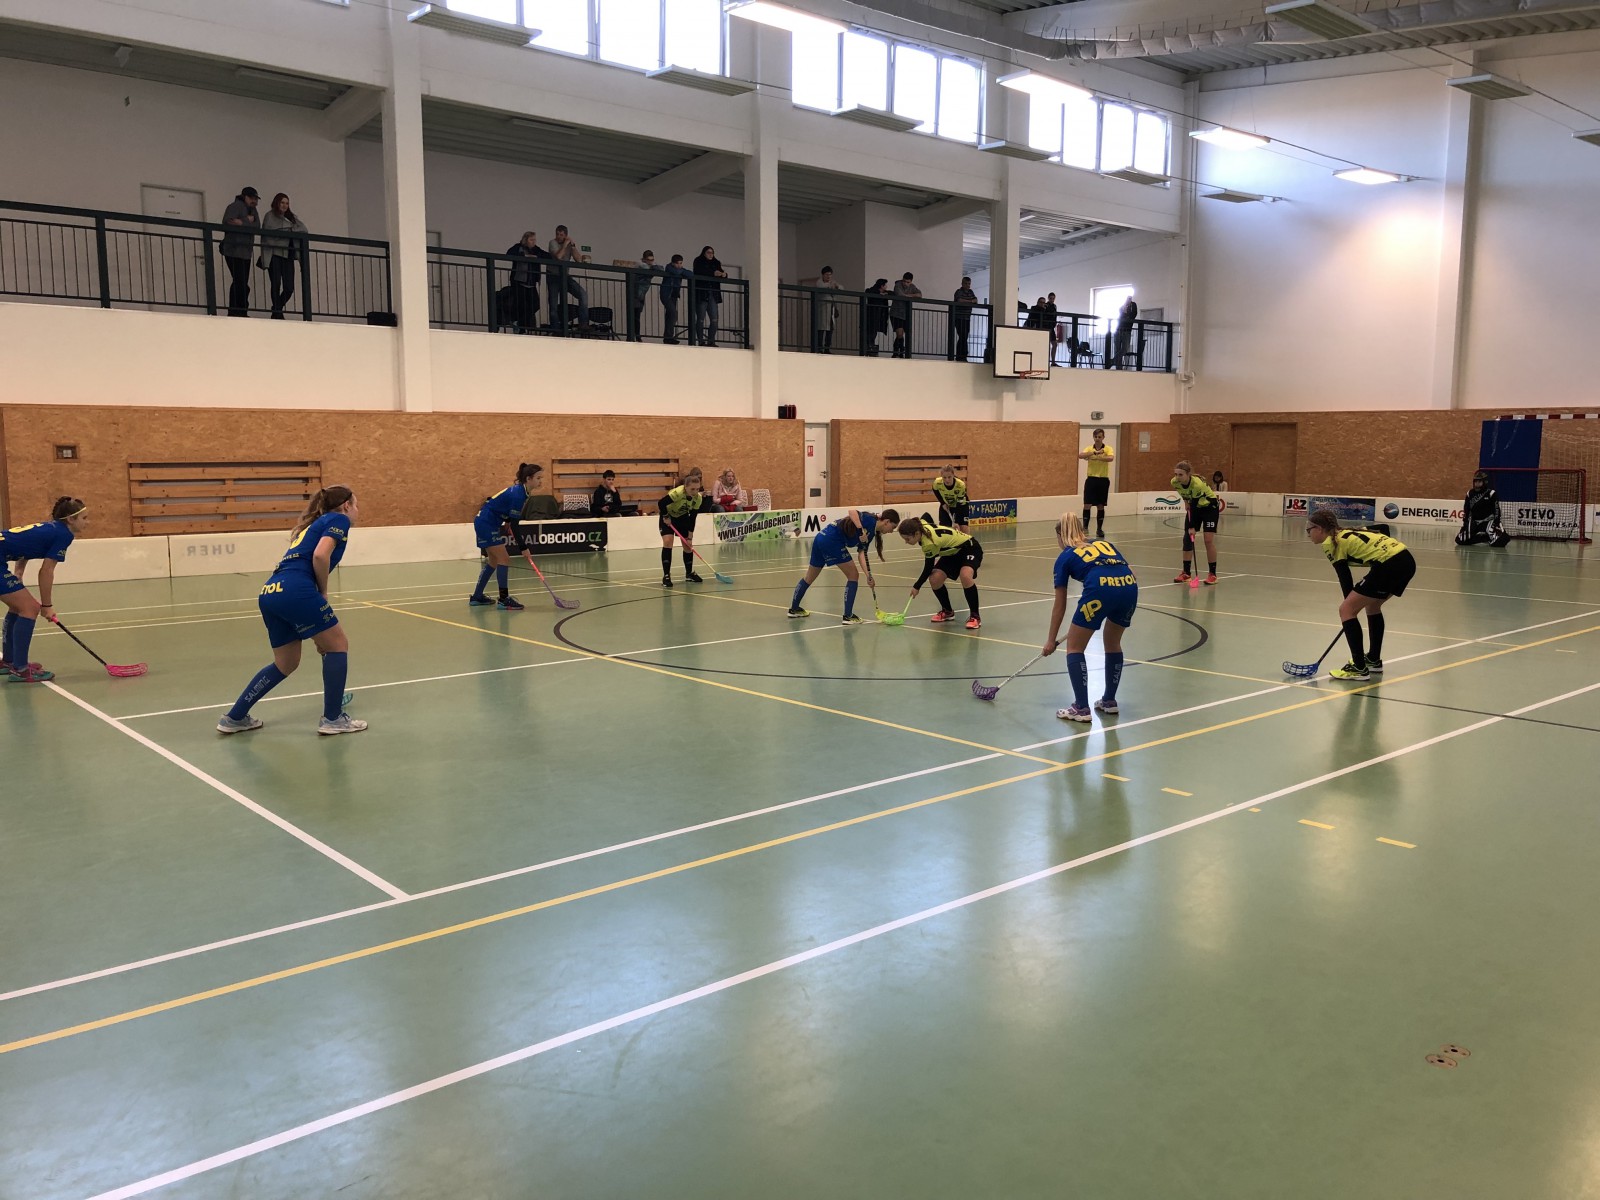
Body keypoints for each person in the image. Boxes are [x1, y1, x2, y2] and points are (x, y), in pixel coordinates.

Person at [216, 486, 365, 735]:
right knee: (338, 645)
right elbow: (320, 555)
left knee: (286, 663)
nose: (358, 510)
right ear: (346, 505)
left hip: (271, 591)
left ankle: (235, 717)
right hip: (297, 589)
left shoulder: (313, 525)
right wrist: (323, 592)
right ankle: (333, 719)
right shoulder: (338, 519)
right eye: (356, 505)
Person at [1041, 513, 1137, 723]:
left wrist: (1050, 640)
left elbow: (1060, 604)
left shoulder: (1065, 556)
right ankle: (1109, 701)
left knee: (1075, 648)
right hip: (1129, 587)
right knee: (1113, 643)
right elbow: (1131, 572)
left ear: (1060, 535)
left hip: (1099, 590)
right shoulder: (1105, 544)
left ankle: (1081, 708)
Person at [1306, 509, 1416, 681]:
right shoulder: (1349, 531)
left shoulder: (1331, 544)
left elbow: (1344, 577)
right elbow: (1384, 528)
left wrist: (1349, 612)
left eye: (1309, 529)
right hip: (1405, 560)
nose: (1308, 534)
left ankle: (1358, 668)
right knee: (1373, 605)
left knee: (1346, 610)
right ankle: (1373, 659)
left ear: (1319, 529)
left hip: (1389, 565)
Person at [1, 497, 89, 683]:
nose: (87, 522)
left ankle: (9, 661)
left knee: (18, 607)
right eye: (84, 518)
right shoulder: (64, 535)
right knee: (30, 608)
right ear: (70, 519)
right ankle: (20, 670)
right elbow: (46, 571)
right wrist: (47, 606)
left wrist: (19, 572)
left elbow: (24, 545)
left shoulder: (50, 528)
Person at [789, 508, 899, 624]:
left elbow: (861, 553)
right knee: (853, 575)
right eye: (893, 527)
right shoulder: (870, 519)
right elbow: (852, 511)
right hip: (832, 541)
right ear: (886, 521)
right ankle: (848, 616)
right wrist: (860, 530)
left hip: (821, 538)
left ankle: (794, 609)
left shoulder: (871, 533)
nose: (892, 531)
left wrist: (868, 576)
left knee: (809, 577)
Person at [469, 463, 541, 610]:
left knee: (494, 561)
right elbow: (515, 525)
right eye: (538, 478)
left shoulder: (522, 491)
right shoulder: (519, 494)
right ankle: (503, 599)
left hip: (486, 522)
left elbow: (503, 507)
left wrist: (507, 520)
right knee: (504, 559)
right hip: (487, 524)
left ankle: (477, 597)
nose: (541, 481)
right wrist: (523, 547)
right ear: (528, 479)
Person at [898, 515, 984, 629]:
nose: (906, 542)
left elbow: (928, 568)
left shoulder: (929, 543)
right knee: (935, 579)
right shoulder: (920, 524)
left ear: (917, 534)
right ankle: (947, 611)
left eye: (908, 539)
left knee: (965, 576)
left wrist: (916, 586)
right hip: (952, 552)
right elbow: (926, 516)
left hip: (969, 547)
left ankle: (975, 616)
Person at [258, 193, 308, 319]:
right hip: (274, 254)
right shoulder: (270, 216)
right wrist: (287, 230)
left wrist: (290, 229)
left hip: (288, 255)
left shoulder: (291, 217)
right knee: (275, 284)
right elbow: (267, 235)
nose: (285, 205)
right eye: (282, 202)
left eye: (287, 203)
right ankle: (277, 313)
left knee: (289, 288)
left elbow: (304, 229)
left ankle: (276, 309)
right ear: (277, 203)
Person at [1171, 459, 1220, 584]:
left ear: (1188, 474)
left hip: (1209, 508)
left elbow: (1195, 505)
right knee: (1187, 538)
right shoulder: (1174, 482)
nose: (1177, 477)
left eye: (1180, 474)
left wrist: (1192, 526)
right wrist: (1185, 501)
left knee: (1208, 540)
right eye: (1176, 474)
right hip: (1195, 507)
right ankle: (1186, 573)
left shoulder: (1196, 484)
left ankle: (1212, 574)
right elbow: (1183, 493)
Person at [658, 469, 706, 587]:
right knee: (668, 542)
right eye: (692, 489)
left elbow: (693, 517)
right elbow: (661, 503)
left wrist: (690, 536)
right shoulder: (678, 493)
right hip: (668, 516)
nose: (695, 492)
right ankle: (666, 575)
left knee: (688, 546)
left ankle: (689, 574)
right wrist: (665, 516)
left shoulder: (698, 498)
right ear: (685, 487)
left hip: (682, 517)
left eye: (697, 489)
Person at [220, 186, 260, 317]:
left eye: (256, 199)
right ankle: (236, 311)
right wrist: (247, 221)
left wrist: (241, 222)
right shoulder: (235, 206)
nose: (255, 201)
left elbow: (257, 226)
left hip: (246, 252)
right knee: (240, 282)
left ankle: (239, 310)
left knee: (241, 282)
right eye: (252, 198)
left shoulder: (253, 210)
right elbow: (227, 222)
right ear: (245, 197)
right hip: (233, 250)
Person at [547, 225, 589, 330]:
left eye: (561, 235)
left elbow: (578, 259)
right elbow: (559, 256)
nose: (558, 236)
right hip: (553, 276)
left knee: (583, 295)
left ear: (566, 235)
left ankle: (583, 323)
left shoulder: (569, 245)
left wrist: (573, 246)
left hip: (565, 276)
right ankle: (555, 328)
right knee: (553, 304)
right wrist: (565, 245)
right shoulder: (552, 243)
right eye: (557, 234)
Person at [1457, 470, 1510, 547]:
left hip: (1488, 521)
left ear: (1485, 482)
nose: (1477, 484)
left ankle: (1489, 535)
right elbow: (1466, 510)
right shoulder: (1470, 493)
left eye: (1479, 482)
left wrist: (1497, 522)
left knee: (1501, 541)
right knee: (1460, 540)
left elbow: (1496, 509)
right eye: (1476, 482)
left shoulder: (1491, 493)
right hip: (1474, 521)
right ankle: (1483, 538)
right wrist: (1466, 523)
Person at [1078, 428, 1114, 538]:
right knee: (1087, 504)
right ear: (1093, 437)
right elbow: (1081, 455)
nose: (1097, 439)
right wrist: (1094, 452)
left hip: (1103, 479)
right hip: (1091, 479)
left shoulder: (1108, 449)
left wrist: (1098, 457)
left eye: (1099, 437)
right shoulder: (1089, 448)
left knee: (1100, 505)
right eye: (1096, 437)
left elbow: (1111, 458)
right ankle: (1085, 528)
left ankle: (1099, 529)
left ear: (1103, 437)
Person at [691, 246, 726, 346]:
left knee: (714, 319)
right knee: (700, 319)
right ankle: (701, 341)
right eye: (708, 252)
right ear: (704, 253)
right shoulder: (698, 261)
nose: (711, 254)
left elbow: (721, 272)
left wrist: (724, 274)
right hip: (702, 293)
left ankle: (711, 341)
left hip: (713, 294)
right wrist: (713, 273)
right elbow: (699, 271)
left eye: (712, 253)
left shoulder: (716, 262)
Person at [628, 250, 660, 342]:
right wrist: (653, 266)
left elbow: (661, 269)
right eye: (648, 260)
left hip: (641, 294)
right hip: (635, 293)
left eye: (652, 260)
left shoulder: (650, 267)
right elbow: (646, 268)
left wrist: (653, 265)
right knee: (635, 316)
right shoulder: (641, 266)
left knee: (637, 316)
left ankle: (636, 336)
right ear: (644, 259)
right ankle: (634, 336)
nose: (650, 262)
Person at [660, 254, 691, 344]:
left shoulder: (679, 269)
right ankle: (669, 337)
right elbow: (676, 272)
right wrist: (682, 271)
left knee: (670, 315)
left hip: (673, 295)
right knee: (673, 313)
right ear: (673, 263)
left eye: (681, 263)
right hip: (666, 295)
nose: (679, 265)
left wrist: (681, 271)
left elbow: (690, 274)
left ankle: (667, 337)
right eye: (677, 263)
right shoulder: (669, 267)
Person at [891, 272, 921, 358]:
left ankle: (899, 352)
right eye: (904, 281)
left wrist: (908, 295)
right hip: (896, 313)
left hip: (906, 314)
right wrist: (912, 296)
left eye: (908, 282)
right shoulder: (898, 285)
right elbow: (900, 295)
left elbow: (920, 294)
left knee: (901, 334)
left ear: (911, 281)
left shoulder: (912, 286)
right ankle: (899, 351)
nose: (905, 284)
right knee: (900, 334)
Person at [932, 464, 969, 531]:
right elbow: (935, 490)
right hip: (946, 504)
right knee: (944, 528)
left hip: (961, 506)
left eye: (949, 477)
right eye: (944, 477)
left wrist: (956, 521)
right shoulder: (937, 483)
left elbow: (959, 504)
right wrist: (942, 503)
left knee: (963, 528)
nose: (947, 480)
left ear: (953, 475)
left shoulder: (960, 485)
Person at [812, 266, 840, 353]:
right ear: (823, 275)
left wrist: (836, 286)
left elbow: (841, 287)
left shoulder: (833, 282)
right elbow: (820, 286)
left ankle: (827, 348)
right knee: (821, 329)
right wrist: (830, 286)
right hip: (822, 309)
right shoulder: (819, 282)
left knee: (830, 330)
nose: (828, 276)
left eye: (830, 275)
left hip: (831, 309)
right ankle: (819, 348)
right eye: (827, 274)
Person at [949, 277, 976, 361]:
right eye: (966, 283)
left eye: (969, 284)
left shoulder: (971, 292)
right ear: (962, 284)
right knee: (962, 336)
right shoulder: (958, 291)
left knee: (965, 336)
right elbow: (959, 300)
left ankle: (962, 355)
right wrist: (970, 301)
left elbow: (975, 300)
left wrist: (968, 301)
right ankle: (960, 356)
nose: (968, 285)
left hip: (967, 318)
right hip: (959, 317)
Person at [862, 278, 890, 355]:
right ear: (882, 286)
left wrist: (884, 293)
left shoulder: (884, 293)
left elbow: (892, 293)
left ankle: (871, 346)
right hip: (872, 315)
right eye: (885, 285)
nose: (886, 286)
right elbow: (868, 291)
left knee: (874, 332)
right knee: (871, 332)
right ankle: (869, 346)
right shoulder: (872, 290)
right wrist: (879, 293)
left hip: (878, 315)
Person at [1113, 294, 1138, 369]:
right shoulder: (1121, 306)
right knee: (1117, 350)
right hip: (1118, 330)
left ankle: (1112, 361)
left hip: (1127, 331)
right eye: (1127, 298)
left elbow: (1133, 314)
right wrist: (1125, 308)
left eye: (1130, 298)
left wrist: (1128, 309)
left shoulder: (1133, 305)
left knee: (1125, 349)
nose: (1129, 299)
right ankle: (1118, 369)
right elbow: (1121, 316)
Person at [1044, 292, 1060, 363]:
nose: (1052, 300)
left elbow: (1055, 315)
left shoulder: (1054, 306)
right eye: (1051, 298)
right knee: (1046, 344)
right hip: (1045, 326)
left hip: (1051, 327)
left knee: (1054, 344)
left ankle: (1053, 361)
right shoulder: (1045, 305)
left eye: (1053, 298)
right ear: (1048, 298)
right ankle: (1045, 361)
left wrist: (1054, 323)